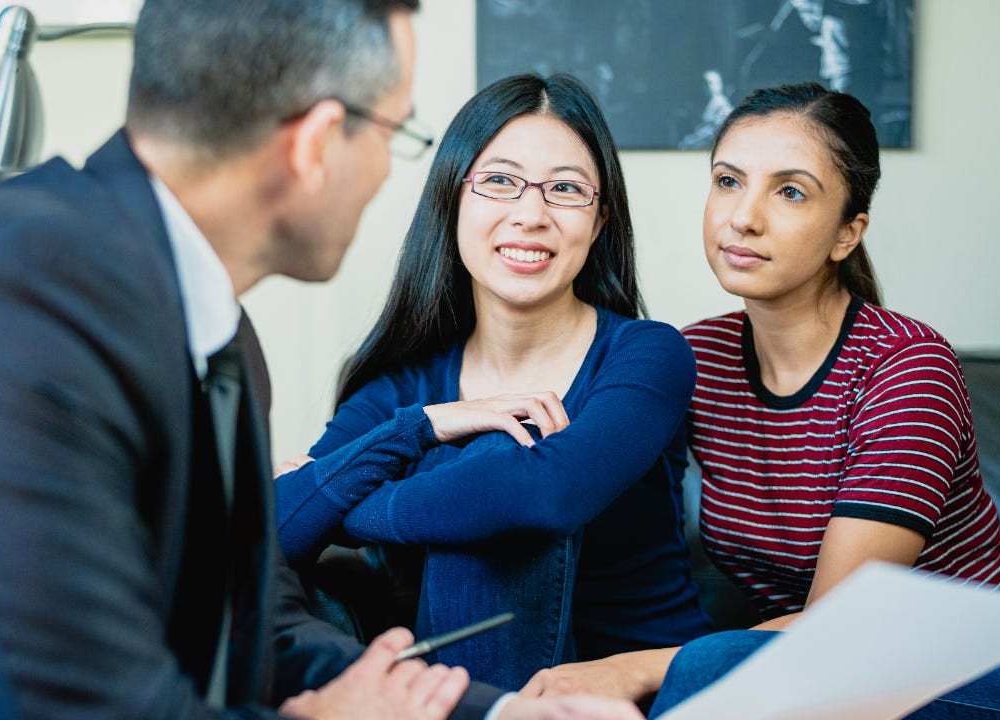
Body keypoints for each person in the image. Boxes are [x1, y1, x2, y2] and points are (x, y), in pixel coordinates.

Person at [0, 2, 644, 719]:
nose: (385, 173)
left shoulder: (213, 330)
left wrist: (500, 714)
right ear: (318, 143)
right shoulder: (11, 307)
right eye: (395, 135)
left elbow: (259, 624)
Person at [523, 82, 1000, 719]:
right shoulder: (694, 357)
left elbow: (841, 625)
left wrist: (632, 670)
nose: (743, 217)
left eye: (789, 192)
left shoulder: (907, 366)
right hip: (817, 683)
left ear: (847, 233)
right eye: (728, 181)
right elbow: (576, 477)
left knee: (706, 667)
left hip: (991, 677)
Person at [273, 72, 713, 693]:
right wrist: (426, 425)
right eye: (500, 181)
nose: (530, 215)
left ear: (599, 220)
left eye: (566, 189)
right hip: (483, 697)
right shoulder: (404, 387)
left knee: (498, 460)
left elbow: (541, 496)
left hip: (644, 696)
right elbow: (276, 524)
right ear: (452, 199)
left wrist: (346, 509)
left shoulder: (647, 354)